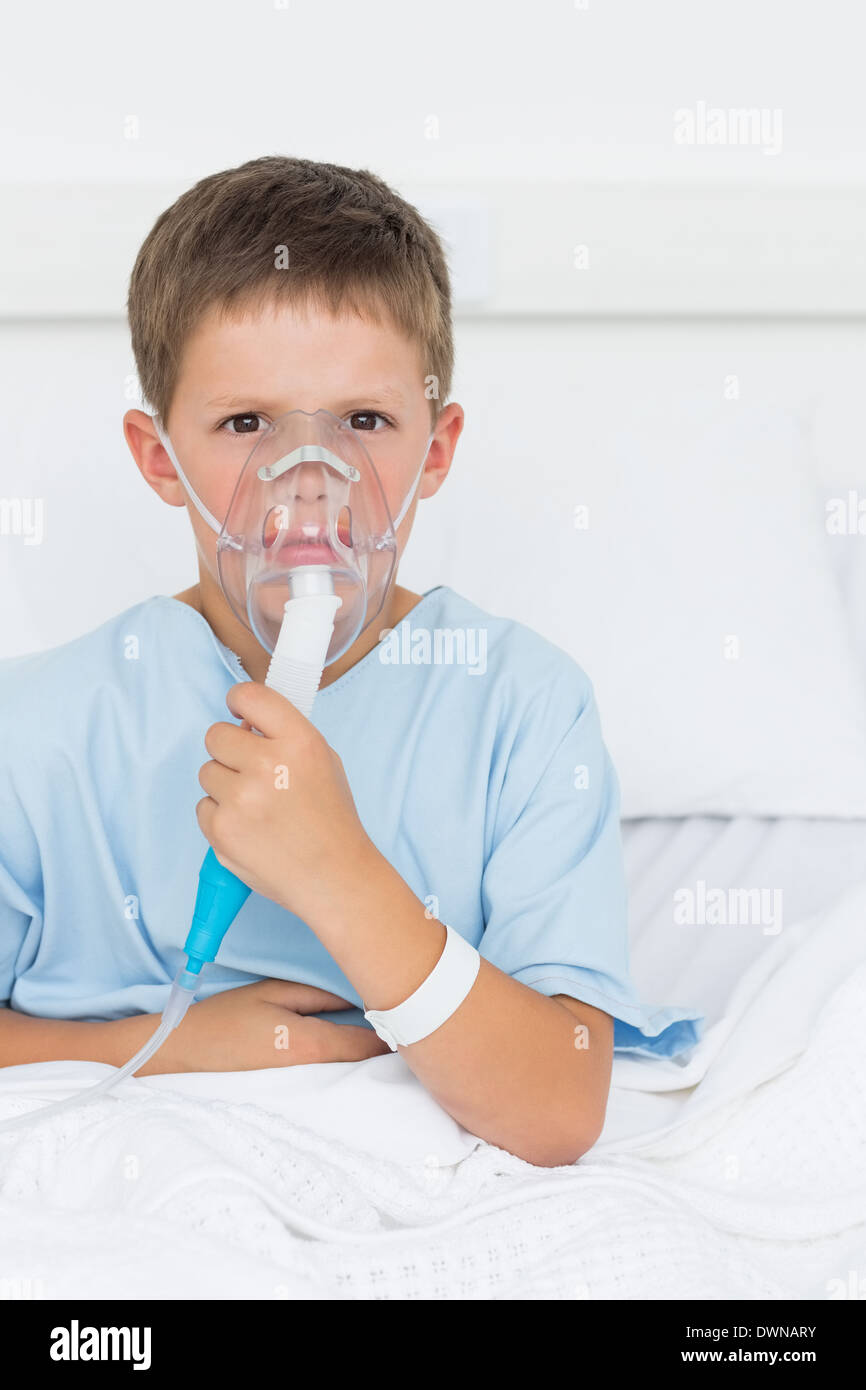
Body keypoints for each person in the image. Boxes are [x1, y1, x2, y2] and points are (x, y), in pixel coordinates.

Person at [0, 156, 702, 1168]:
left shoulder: (519, 708)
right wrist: (161, 1048)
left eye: (363, 423)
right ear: (159, 460)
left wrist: (338, 873)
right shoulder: (42, 734)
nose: (309, 484)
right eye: (246, 424)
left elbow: (556, 1106)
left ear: (436, 448)